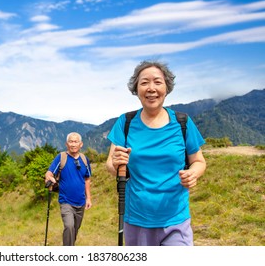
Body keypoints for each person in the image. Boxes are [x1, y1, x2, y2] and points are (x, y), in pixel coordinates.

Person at [106, 60, 206, 246]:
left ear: (167, 88)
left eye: (158, 82)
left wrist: (193, 173)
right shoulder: (125, 122)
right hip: (136, 219)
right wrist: (116, 162)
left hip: (176, 219)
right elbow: (111, 165)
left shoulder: (183, 123)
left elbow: (199, 161)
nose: (151, 88)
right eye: (144, 82)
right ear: (136, 89)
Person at [45, 132, 92, 246]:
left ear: (81, 144)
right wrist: (49, 177)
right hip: (66, 201)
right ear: (67, 144)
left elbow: (87, 179)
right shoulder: (61, 157)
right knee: (69, 226)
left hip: (80, 202)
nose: (73, 144)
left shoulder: (84, 160)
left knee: (74, 230)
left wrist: (88, 198)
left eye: (76, 142)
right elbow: (49, 173)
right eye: (71, 141)